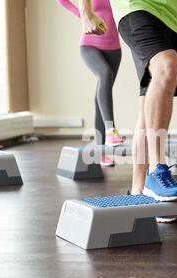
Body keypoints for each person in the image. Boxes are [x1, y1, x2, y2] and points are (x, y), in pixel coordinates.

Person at [78, 0, 177, 223]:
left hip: (174, 17)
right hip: (136, 7)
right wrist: (85, 11)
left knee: (149, 95)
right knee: (168, 65)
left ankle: (139, 191)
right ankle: (157, 170)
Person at [58, 0, 123, 167]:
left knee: (100, 96)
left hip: (114, 47)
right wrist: (83, 15)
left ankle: (100, 152)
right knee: (104, 74)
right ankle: (111, 131)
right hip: (89, 44)